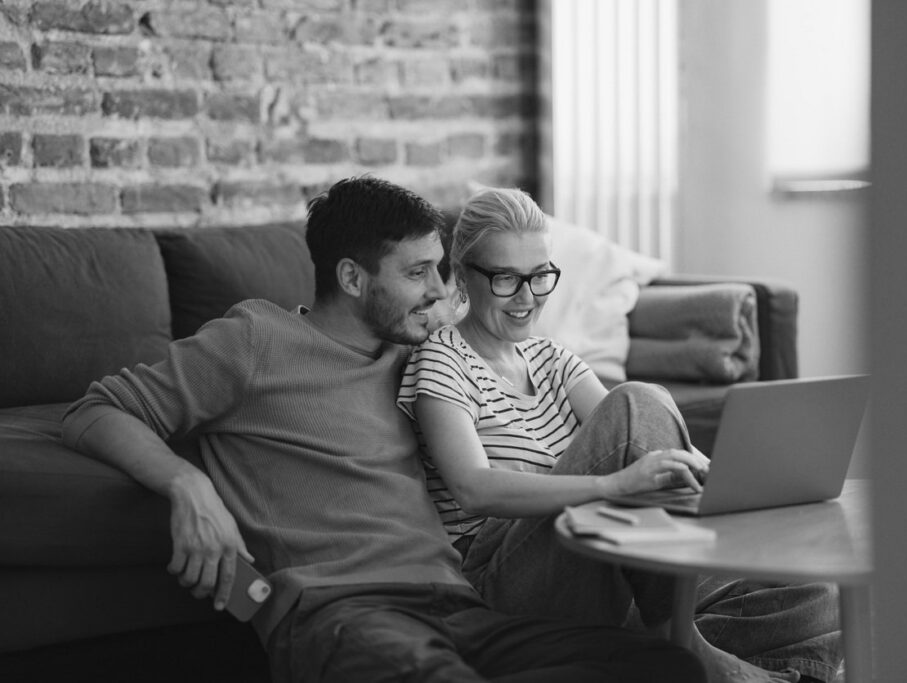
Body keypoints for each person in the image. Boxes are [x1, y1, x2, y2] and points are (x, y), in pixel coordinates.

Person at [61, 176, 707, 683]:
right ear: (352, 277)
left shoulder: (416, 354)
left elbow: (490, 329)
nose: (440, 291)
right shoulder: (253, 341)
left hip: (461, 607)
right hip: (343, 610)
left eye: (440, 268)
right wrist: (188, 486)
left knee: (666, 667)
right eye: (417, 272)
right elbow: (95, 410)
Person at [397, 187, 843, 683]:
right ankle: (691, 651)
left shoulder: (551, 358)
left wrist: (740, 485)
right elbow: (473, 487)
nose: (527, 298)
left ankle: (682, 653)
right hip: (502, 580)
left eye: (540, 276)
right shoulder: (441, 359)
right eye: (506, 279)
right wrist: (612, 485)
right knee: (635, 399)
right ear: (462, 277)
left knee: (813, 595)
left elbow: (649, 437)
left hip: (602, 562)